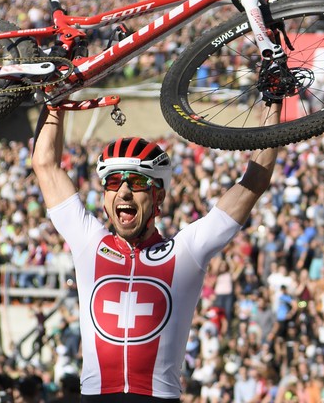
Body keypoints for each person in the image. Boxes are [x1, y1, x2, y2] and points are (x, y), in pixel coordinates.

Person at [31, 104, 280, 402]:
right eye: (113, 182)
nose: (124, 192)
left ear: (157, 196)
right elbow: (45, 164)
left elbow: (254, 182)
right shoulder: (89, 243)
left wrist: (272, 100)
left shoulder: (185, 252)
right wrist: (55, 101)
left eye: (136, 182)